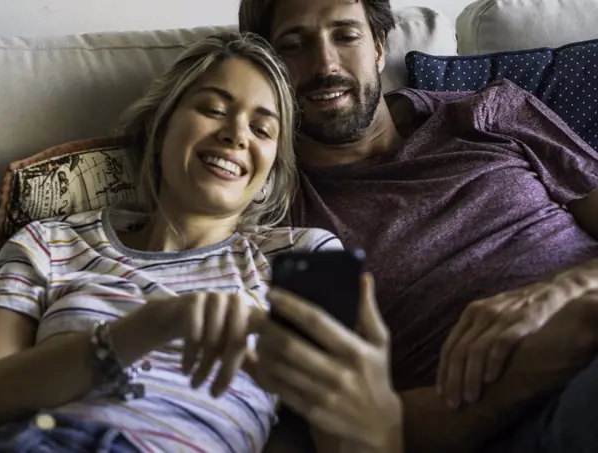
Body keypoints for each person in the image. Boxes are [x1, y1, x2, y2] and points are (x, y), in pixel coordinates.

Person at [0, 32, 400, 453]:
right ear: (160, 129)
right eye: (214, 109)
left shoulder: (298, 259)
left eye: (262, 129)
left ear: (270, 172)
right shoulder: (49, 242)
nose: (236, 134)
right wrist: (144, 329)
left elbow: (349, 430)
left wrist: (376, 409)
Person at [238, 0, 598, 452]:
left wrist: (565, 294)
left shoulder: (490, 112)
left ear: (378, 46)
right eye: (294, 45)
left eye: (346, 35)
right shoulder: (287, 224)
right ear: (268, 67)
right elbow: (353, 423)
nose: (325, 64)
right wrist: (533, 366)